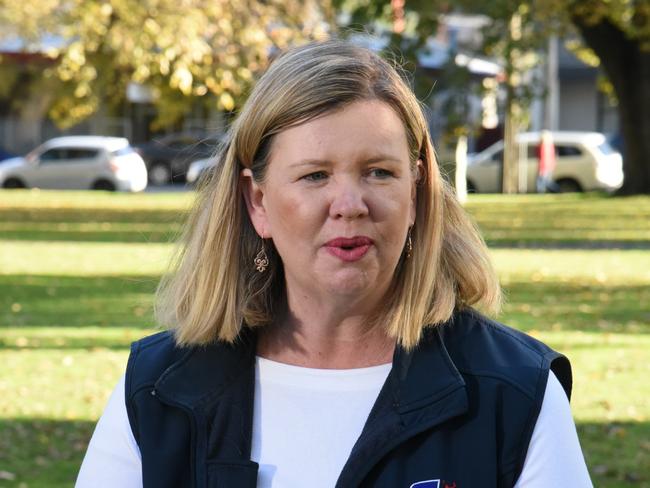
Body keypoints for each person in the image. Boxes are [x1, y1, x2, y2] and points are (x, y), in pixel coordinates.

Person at [76, 40, 592, 488]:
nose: (350, 203)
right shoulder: (159, 390)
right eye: (316, 175)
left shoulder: (512, 393)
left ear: (416, 193)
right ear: (257, 202)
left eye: (378, 172)